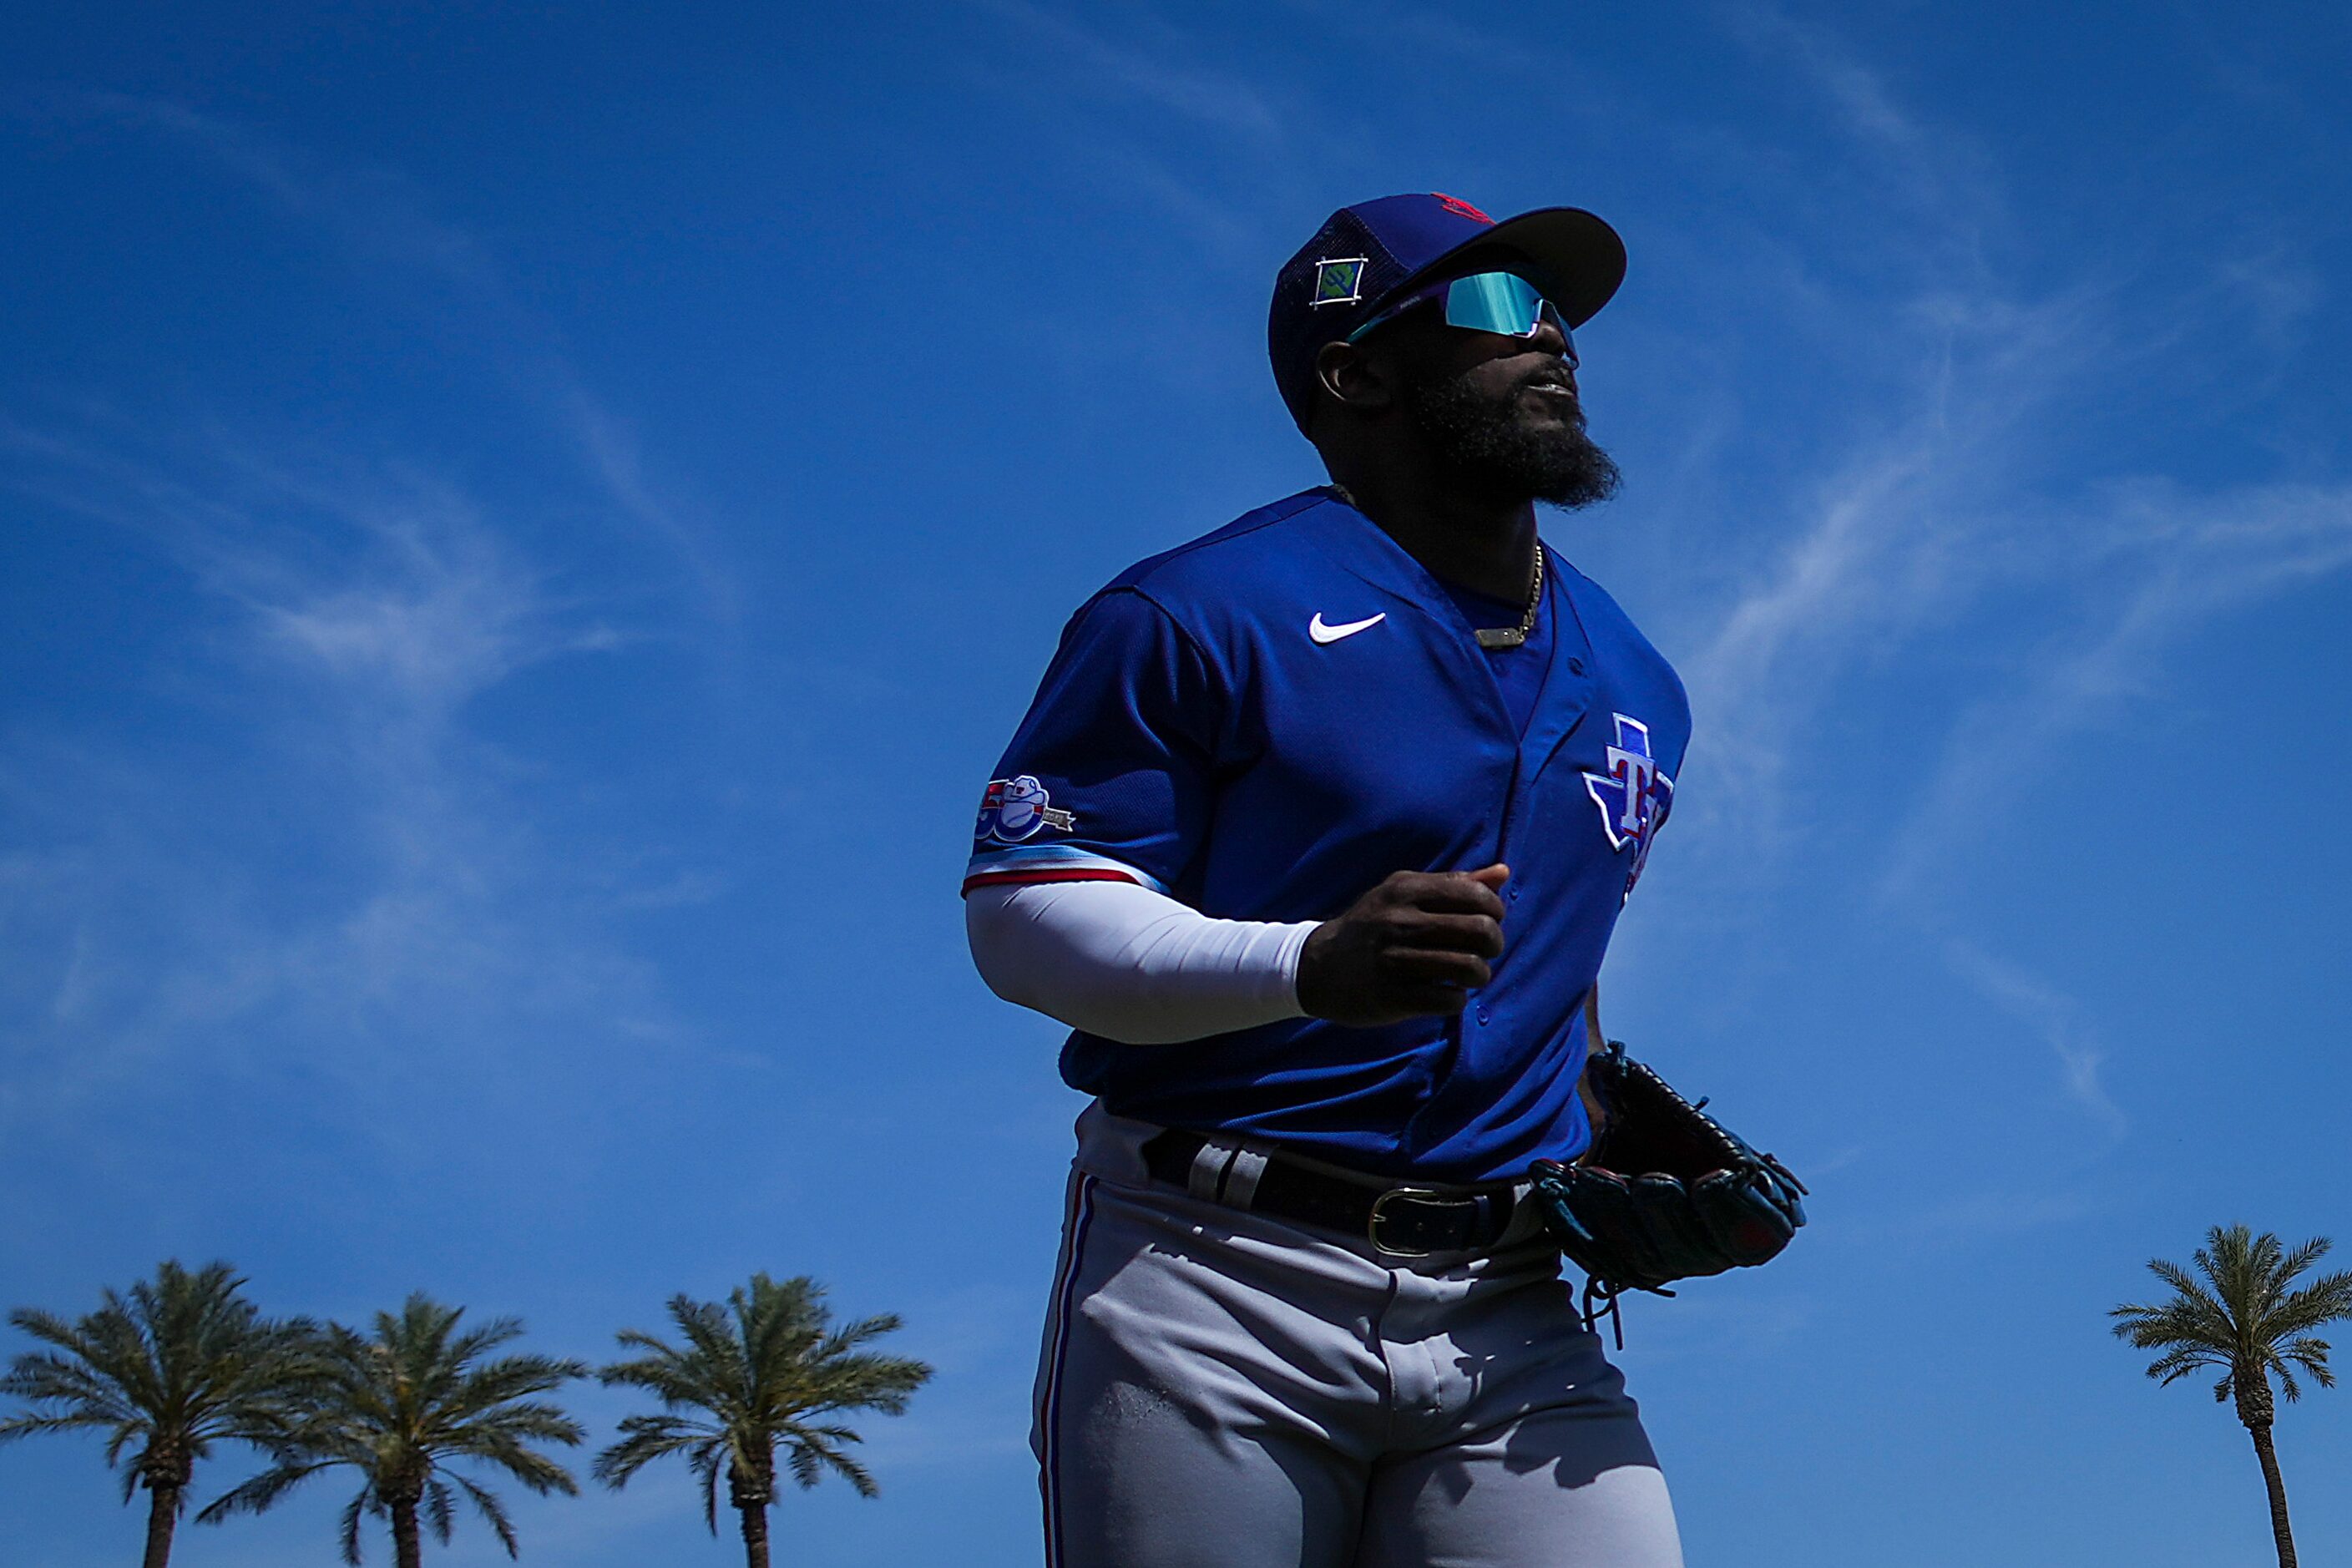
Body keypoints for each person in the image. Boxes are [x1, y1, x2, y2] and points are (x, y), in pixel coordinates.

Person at [964, 192, 1688, 1568]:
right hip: (1213, 1274)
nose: (1546, 337)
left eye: (1554, 311)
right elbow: (1023, 914)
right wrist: (1304, 963)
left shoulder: (1640, 677)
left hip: (1515, 1299)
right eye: (1485, 308)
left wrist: (1597, 1115)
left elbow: (1553, 952)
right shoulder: (1192, 611)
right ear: (1353, 371)